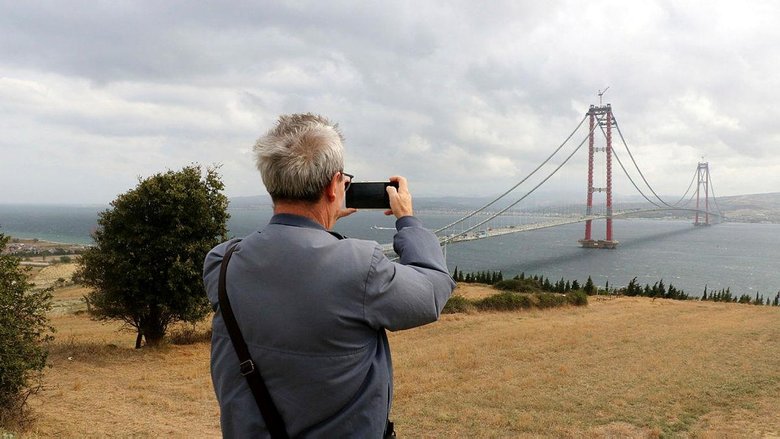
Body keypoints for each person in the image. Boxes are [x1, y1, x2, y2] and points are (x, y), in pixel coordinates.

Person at [203, 113, 456, 438]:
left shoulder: (222, 262)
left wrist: (322, 215)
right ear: (334, 185)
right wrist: (408, 220)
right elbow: (431, 292)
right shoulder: (359, 266)